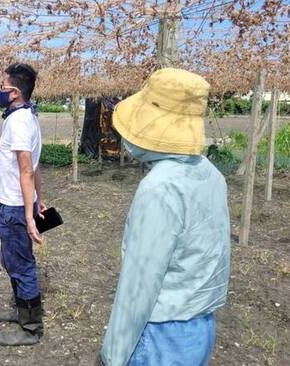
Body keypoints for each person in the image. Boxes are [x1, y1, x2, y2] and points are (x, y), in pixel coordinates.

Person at [99, 68, 231, 365]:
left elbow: (140, 284)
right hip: (199, 326)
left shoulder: (160, 188)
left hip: (161, 335)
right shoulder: (210, 174)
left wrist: (113, 355)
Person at [0, 63, 46, 347]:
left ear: (14, 92)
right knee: (10, 260)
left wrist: (28, 215)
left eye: (3, 87)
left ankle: (31, 328)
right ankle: (20, 309)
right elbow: (34, 168)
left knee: (22, 265)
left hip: (14, 206)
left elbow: (26, 168)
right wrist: (40, 198)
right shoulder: (26, 116)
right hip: (13, 202)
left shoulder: (20, 122)